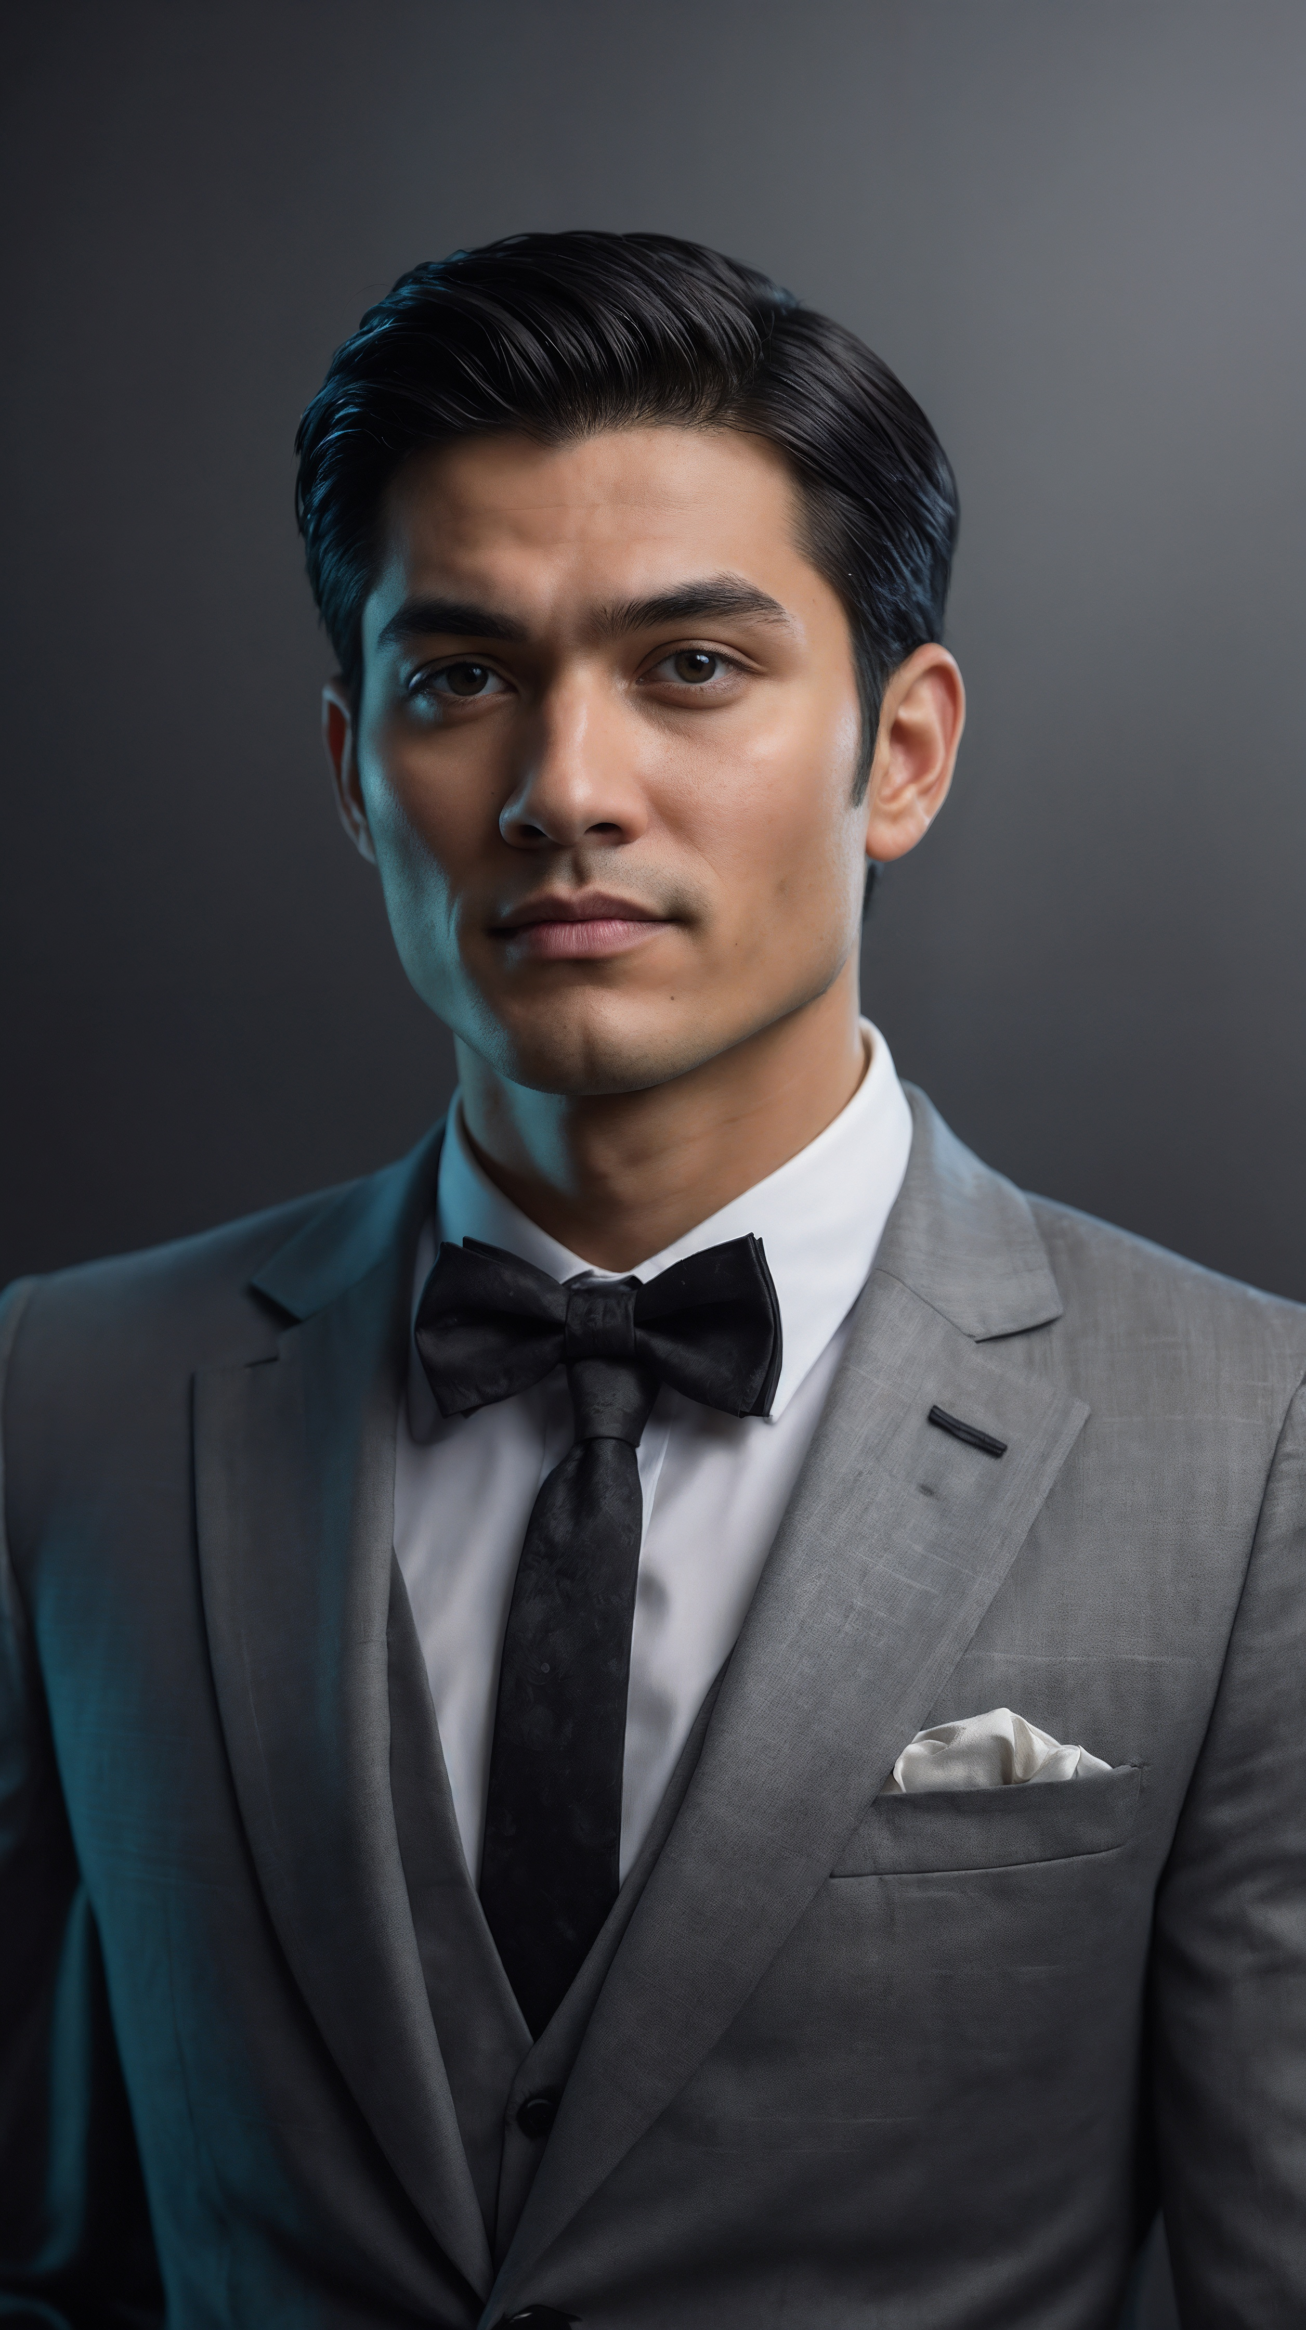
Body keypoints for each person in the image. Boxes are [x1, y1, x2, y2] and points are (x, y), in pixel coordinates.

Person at [0, 231, 1300, 2330]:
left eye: (690, 666)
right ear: (350, 765)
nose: (562, 791)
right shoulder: (59, 1398)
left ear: (901, 750)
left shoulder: (1249, 1448)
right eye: (459, 676)